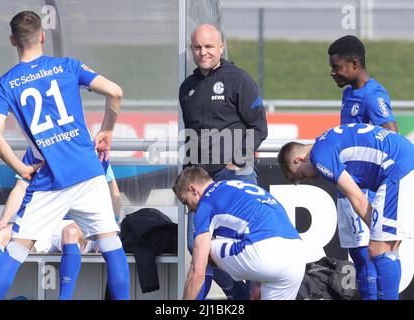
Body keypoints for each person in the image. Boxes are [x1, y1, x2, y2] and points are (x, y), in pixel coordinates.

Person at [0, 11, 129, 299]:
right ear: (42, 36)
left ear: (13, 41)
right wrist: (107, 130)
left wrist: (20, 167)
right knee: (111, 244)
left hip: (49, 181)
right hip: (87, 173)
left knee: (15, 250)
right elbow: (115, 92)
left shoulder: (4, 84)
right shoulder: (67, 66)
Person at [179, 23, 268, 299]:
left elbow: (259, 127)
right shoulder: (187, 87)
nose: (202, 52)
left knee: (240, 246)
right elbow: (191, 135)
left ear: (221, 48)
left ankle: (244, 296)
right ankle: (236, 296)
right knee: (200, 249)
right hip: (201, 183)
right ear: (191, 49)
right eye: (197, 47)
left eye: (208, 46)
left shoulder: (239, 79)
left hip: (234, 176)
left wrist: (236, 162)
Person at [277, 123, 414, 300]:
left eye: (302, 176)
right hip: (401, 161)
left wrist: (377, 233)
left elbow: (358, 199)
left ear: (298, 160)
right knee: (386, 249)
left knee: (379, 249)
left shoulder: (319, 158)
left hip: (397, 168)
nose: (310, 179)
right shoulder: (325, 139)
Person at [0, 148, 123, 300]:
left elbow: (114, 194)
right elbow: (20, 189)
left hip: (76, 225)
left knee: (69, 233)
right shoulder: (35, 149)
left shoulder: (88, 148)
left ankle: (64, 297)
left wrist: (109, 229)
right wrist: (4, 220)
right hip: (41, 224)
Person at [328, 35, 398, 299]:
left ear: (355, 64)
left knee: (367, 255)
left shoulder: (374, 94)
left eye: (337, 67)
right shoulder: (349, 93)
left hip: (363, 189)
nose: (332, 72)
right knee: (357, 257)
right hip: (347, 184)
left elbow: (391, 137)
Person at [173, 167, 305, 300]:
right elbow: (263, 227)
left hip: (264, 253)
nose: (190, 209)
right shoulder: (240, 188)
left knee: (202, 253)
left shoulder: (206, 203)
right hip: (297, 257)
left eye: (185, 202)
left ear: (193, 190)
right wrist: (259, 282)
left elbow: (198, 274)